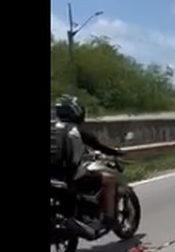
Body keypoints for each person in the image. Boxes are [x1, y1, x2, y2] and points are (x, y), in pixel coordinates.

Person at [51, 95, 123, 228]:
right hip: (71, 177)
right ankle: (110, 219)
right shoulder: (76, 131)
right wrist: (117, 153)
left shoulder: (53, 129)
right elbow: (100, 147)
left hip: (54, 178)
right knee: (110, 180)